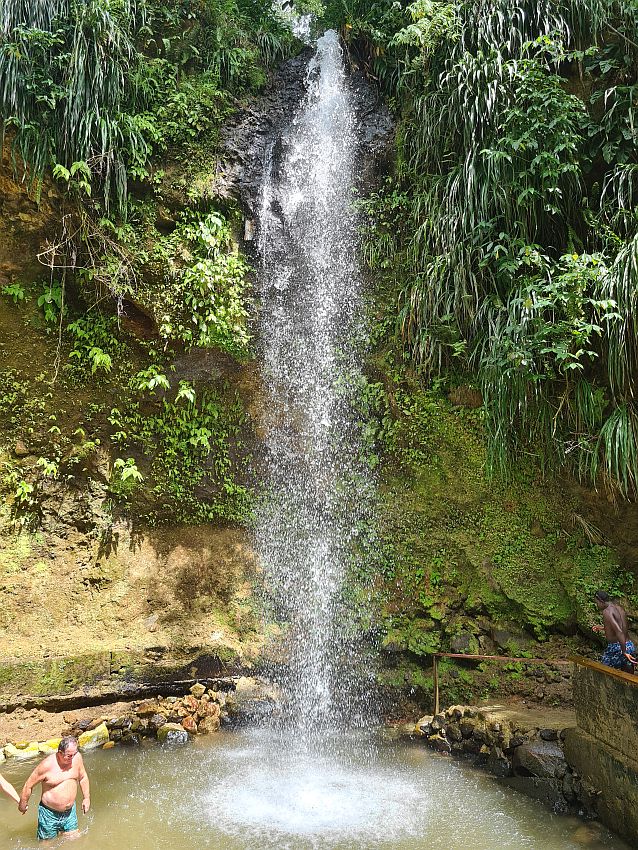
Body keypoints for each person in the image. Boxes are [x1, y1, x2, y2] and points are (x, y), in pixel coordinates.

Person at [18, 736, 90, 842]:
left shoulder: (77, 758)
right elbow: (28, 785)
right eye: (69, 756)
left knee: (74, 842)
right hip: (49, 814)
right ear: (60, 753)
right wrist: (22, 805)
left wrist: (86, 798)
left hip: (69, 812)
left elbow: (83, 777)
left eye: (74, 754)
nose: (72, 758)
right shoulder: (46, 766)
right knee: (47, 845)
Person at [593, 590, 637, 672]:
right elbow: (622, 627)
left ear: (601, 601)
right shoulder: (619, 608)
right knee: (626, 671)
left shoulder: (607, 612)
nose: (597, 605)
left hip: (617, 647)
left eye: (597, 603)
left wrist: (624, 651)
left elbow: (619, 631)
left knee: (603, 670)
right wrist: (602, 628)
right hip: (629, 644)